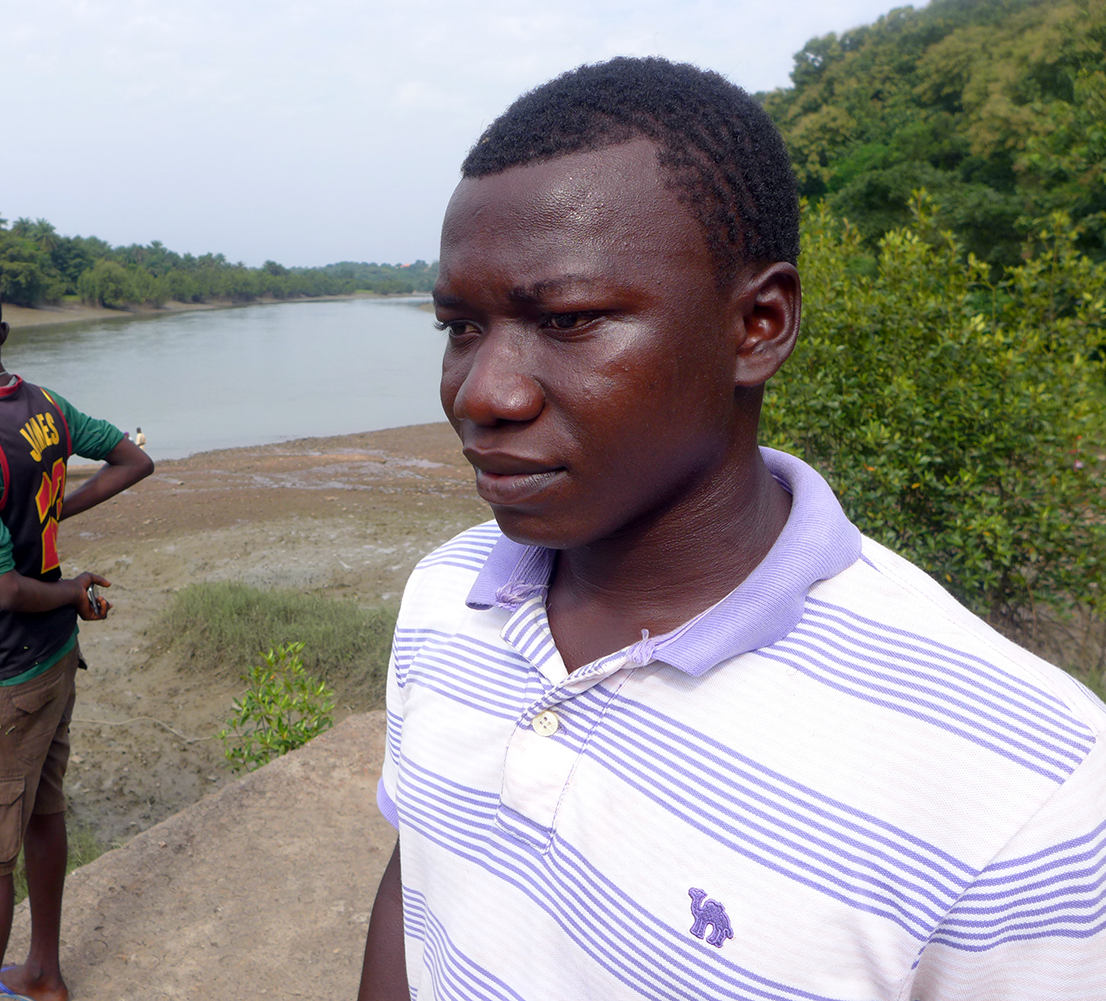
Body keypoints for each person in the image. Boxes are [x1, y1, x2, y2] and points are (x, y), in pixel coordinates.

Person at [358, 58, 1106, 1001]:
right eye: (460, 327)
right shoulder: (442, 596)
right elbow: (421, 876)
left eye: (573, 319)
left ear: (759, 325)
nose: (482, 392)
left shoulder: (1025, 778)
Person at [0, 266, 153, 1001]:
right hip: (55, 662)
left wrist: (71, 587)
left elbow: (6, 588)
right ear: (3, 331)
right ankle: (44, 972)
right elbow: (133, 459)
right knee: (43, 812)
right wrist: (60, 517)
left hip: (7, 678)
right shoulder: (44, 406)